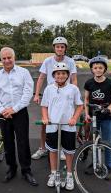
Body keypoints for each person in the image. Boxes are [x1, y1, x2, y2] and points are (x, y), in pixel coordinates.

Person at [0, 47, 38, 186]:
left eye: (9, 57)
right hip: (4, 114)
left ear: (14, 57)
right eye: (4, 58)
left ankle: (26, 170)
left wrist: (14, 109)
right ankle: (11, 168)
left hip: (20, 112)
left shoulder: (24, 73)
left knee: (23, 142)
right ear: (1, 60)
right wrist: (2, 110)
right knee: (8, 142)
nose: (7, 60)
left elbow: (27, 93)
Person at [32, 36, 78, 161]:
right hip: (51, 95)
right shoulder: (48, 61)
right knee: (45, 122)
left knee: (64, 122)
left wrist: (74, 94)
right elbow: (41, 78)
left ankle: (62, 148)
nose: (60, 49)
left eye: (62, 47)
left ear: (65, 49)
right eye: (57, 47)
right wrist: (36, 94)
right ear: (54, 48)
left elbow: (73, 79)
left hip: (65, 95)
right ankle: (43, 148)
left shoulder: (70, 61)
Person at [41, 62, 83, 190]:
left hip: (68, 125)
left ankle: (69, 174)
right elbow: (44, 106)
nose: (61, 75)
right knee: (53, 150)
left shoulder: (73, 89)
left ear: (68, 75)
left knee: (69, 151)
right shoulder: (49, 89)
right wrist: (45, 118)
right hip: (52, 125)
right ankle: (54, 173)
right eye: (58, 73)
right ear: (54, 75)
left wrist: (74, 118)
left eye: (64, 73)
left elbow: (80, 105)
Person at [83, 56, 111, 180]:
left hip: (106, 117)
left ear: (104, 69)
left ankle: (108, 167)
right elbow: (87, 99)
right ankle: (95, 164)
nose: (98, 70)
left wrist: (110, 107)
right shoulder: (89, 83)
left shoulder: (110, 83)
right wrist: (86, 113)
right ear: (92, 69)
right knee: (94, 142)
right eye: (95, 68)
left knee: (107, 142)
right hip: (94, 117)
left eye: (100, 68)